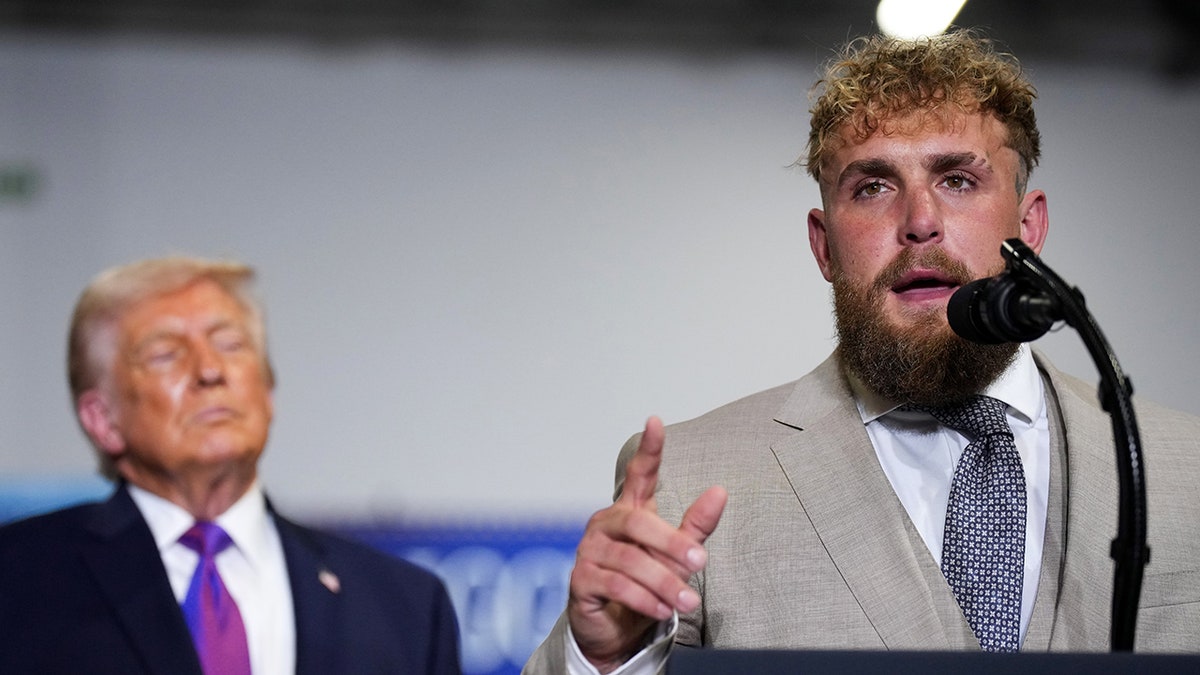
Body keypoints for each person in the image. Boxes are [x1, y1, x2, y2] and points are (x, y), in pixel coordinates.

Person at [524, 29, 1200, 674]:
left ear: (1029, 227)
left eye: (958, 180)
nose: (919, 221)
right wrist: (603, 658)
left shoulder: (1186, 472)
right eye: (872, 186)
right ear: (824, 245)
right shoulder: (693, 480)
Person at [0, 257, 462, 674]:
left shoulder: (405, 606)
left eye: (231, 344)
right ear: (102, 420)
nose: (209, 370)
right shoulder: (18, 582)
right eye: (165, 354)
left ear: (268, 391)